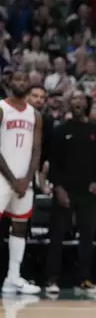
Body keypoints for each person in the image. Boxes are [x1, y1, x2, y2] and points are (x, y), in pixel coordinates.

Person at [45, 91, 96, 294]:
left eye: (81, 99)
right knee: (57, 235)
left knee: (87, 237)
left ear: (87, 104)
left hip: (88, 192)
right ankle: (51, 278)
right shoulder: (60, 130)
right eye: (74, 99)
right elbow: (53, 162)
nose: (78, 102)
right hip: (65, 190)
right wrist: (59, 187)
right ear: (69, 104)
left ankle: (85, 279)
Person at [0, 70, 42, 294]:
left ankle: (13, 278)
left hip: (24, 180)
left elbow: (36, 150)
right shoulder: (1, 108)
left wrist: (26, 179)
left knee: (20, 226)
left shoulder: (35, 115)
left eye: (24, 79)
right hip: (2, 176)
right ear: (9, 82)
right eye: (17, 79)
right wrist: (11, 179)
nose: (21, 83)